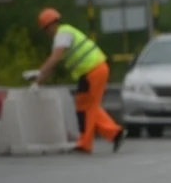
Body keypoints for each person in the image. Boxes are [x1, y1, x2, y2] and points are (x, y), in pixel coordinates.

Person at [28, 8, 126, 154]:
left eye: (46, 29)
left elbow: (54, 58)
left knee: (87, 107)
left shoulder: (63, 35)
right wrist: (38, 78)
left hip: (93, 70)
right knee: (84, 105)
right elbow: (53, 64)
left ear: (51, 25)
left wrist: (38, 77)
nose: (46, 33)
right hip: (90, 71)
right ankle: (115, 133)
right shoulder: (64, 34)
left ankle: (85, 143)